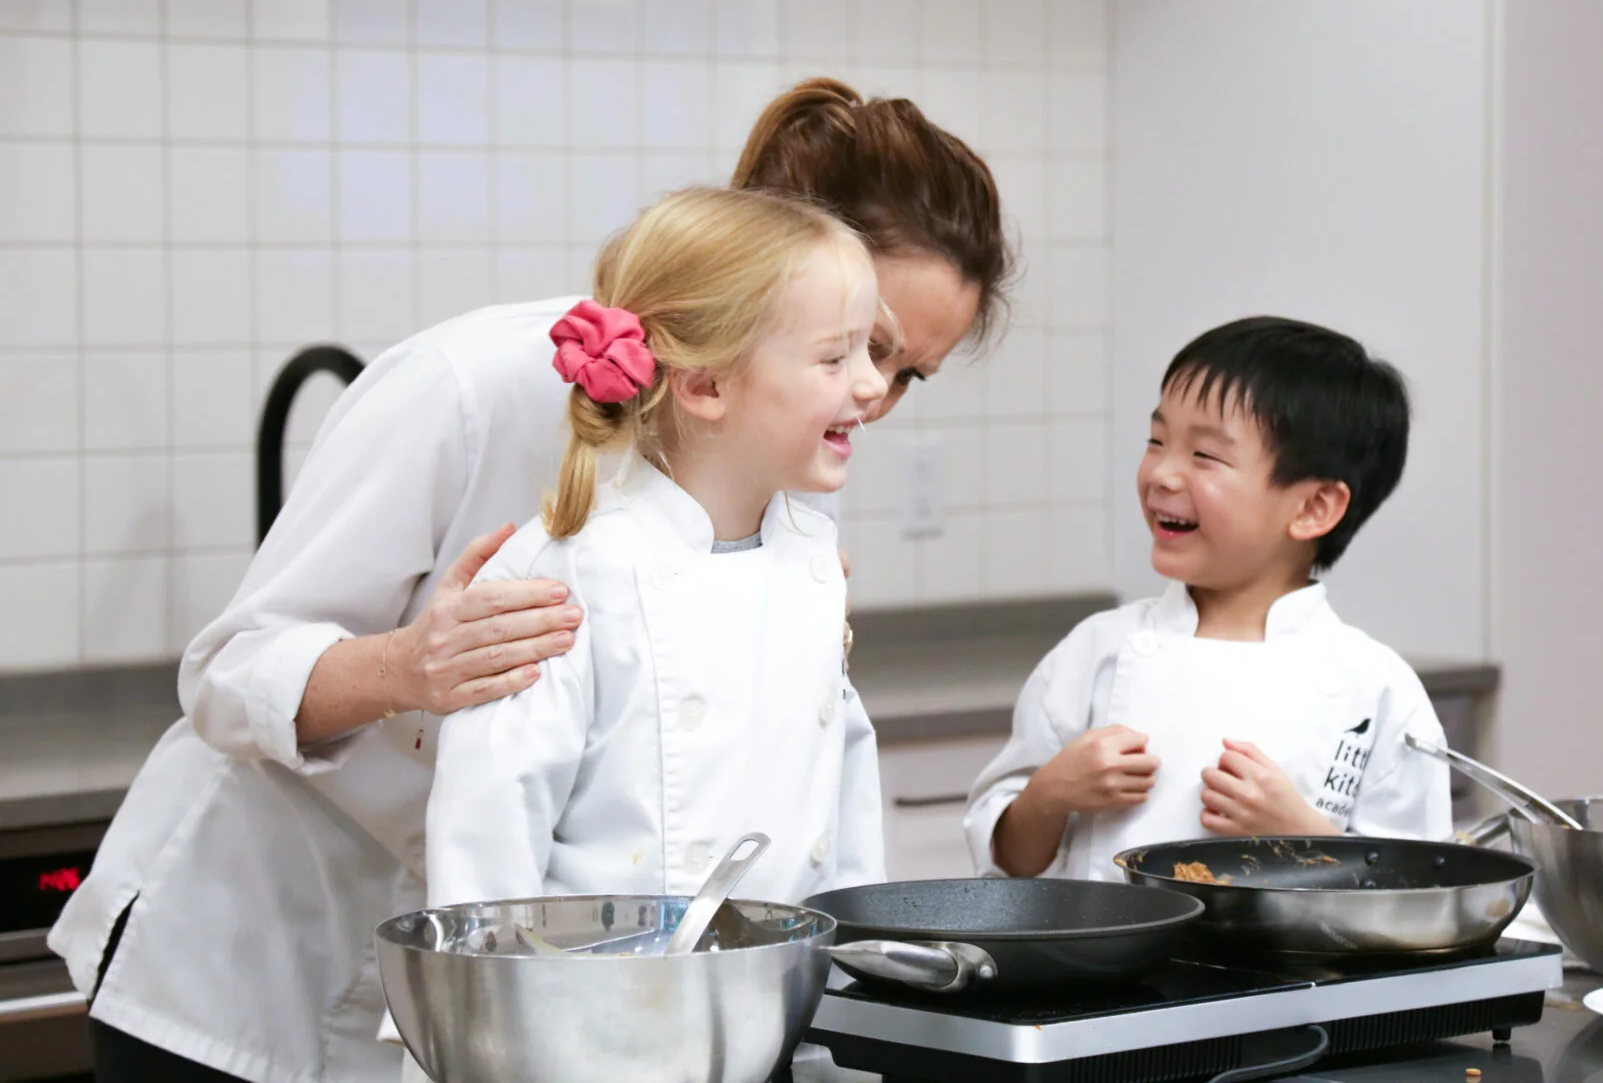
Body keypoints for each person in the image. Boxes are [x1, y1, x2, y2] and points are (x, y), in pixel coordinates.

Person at [52, 80, 1013, 1083]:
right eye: (858, 346)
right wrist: (407, 666)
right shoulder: (471, 387)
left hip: (542, 1013)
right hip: (257, 968)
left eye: (905, 371)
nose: (873, 390)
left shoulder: (785, 473)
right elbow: (226, 672)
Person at [427, 186, 885, 919]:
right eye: (835, 357)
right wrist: (487, 989)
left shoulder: (812, 560)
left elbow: (844, 797)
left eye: (868, 349)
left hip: (790, 981)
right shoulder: (566, 575)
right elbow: (488, 838)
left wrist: (866, 955)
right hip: (595, 982)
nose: (873, 383)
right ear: (705, 385)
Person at [965, 317, 1452, 881]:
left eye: (1205, 455)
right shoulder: (1096, 652)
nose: (1162, 474)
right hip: (1103, 944)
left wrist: (1301, 836)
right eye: (1156, 441)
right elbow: (1007, 866)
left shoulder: (1377, 689)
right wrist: (1051, 794)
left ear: (1312, 508)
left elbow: (1414, 891)